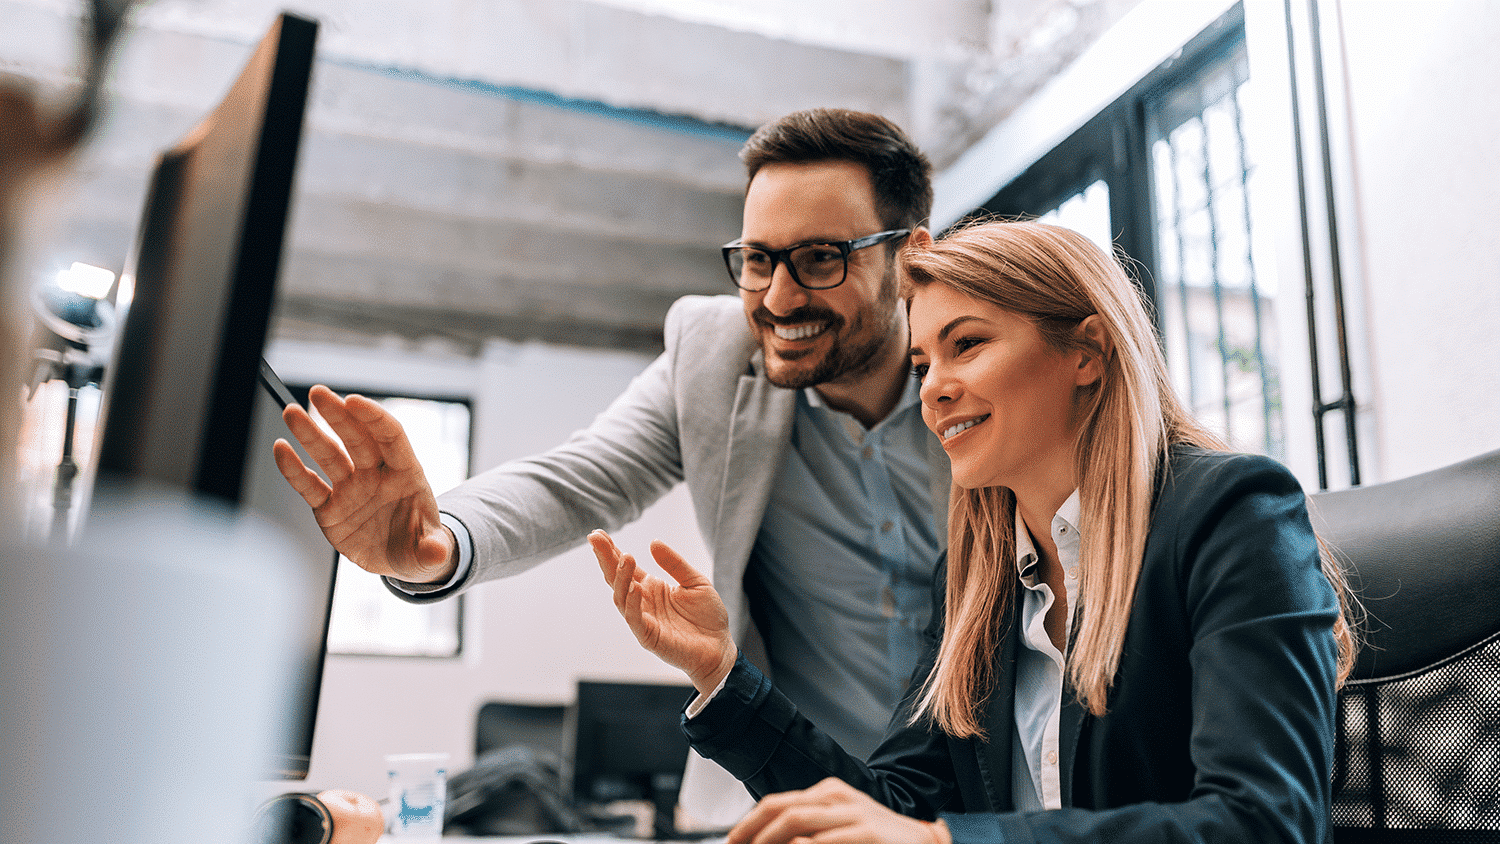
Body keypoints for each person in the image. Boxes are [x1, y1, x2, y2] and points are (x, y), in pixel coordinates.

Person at [590, 219, 1357, 844]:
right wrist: (722, 674)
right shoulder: (974, 578)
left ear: (1086, 352)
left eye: (968, 344)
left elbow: (1265, 823)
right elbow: (891, 808)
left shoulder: (1233, 515)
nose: (935, 389)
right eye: (924, 362)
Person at [273, 109, 951, 767]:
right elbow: (578, 480)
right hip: (801, 792)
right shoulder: (714, 356)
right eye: (757, 259)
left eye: (820, 258)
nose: (777, 298)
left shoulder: (988, 380)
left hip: (991, 800)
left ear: (912, 257)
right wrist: (438, 542)